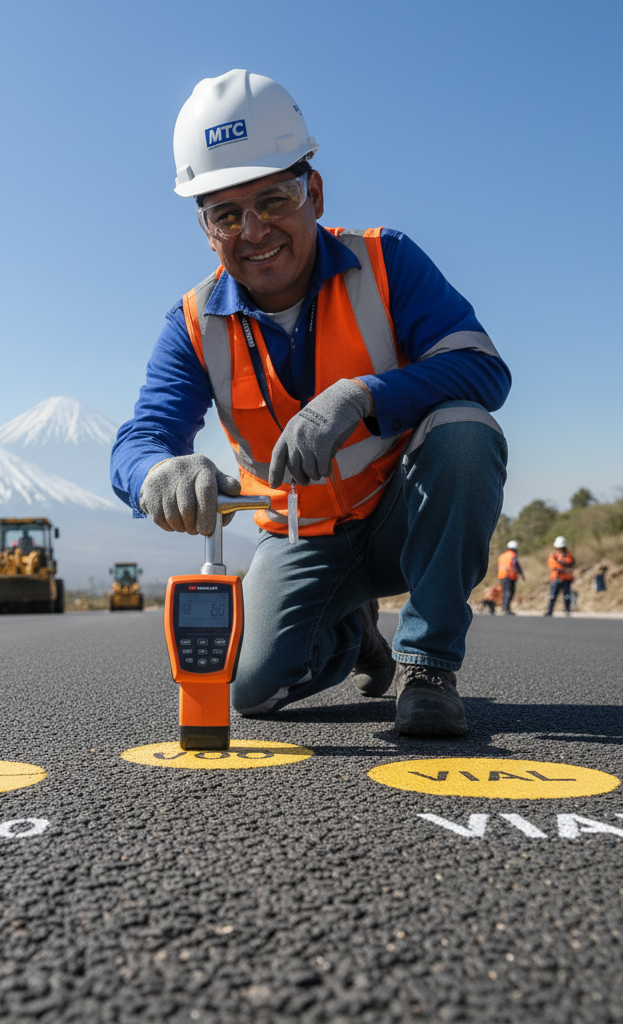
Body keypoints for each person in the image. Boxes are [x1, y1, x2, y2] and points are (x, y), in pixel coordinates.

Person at [111, 71, 510, 737]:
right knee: (249, 688)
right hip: (300, 537)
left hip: (402, 518)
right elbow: (144, 433)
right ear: (206, 228)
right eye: (227, 214)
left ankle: (429, 665)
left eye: (273, 199)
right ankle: (354, 636)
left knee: (466, 430)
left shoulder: (389, 262)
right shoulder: (193, 322)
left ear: (314, 192)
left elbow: (482, 369)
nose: (254, 230)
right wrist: (158, 472)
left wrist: (363, 396)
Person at [546, 536, 575, 616]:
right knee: (553, 595)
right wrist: (562, 567)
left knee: (567, 595)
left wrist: (563, 566)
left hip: (566, 578)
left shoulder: (568, 555)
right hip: (556, 578)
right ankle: (550, 610)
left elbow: (571, 563)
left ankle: (567, 610)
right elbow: (552, 565)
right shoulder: (554, 556)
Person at [496, 540, 525, 614]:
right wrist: (521, 575)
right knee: (509, 592)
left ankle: (504, 607)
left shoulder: (502, 555)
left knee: (505, 591)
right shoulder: (513, 555)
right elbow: (516, 566)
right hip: (509, 576)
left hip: (501, 576)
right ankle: (506, 609)